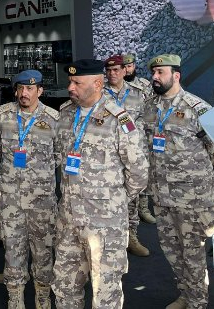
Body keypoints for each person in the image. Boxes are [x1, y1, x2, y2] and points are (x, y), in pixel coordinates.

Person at [52, 59, 148, 309]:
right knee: (64, 286)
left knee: (105, 293)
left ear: (97, 83)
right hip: (69, 219)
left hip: (105, 223)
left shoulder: (119, 118)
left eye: (76, 82)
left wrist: (112, 201)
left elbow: (138, 172)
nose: (70, 87)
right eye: (70, 81)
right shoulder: (65, 113)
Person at [141, 54, 214, 309]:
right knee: (172, 251)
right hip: (161, 194)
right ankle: (185, 295)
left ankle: (198, 303)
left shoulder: (197, 108)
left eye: (160, 72)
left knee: (192, 254)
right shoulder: (148, 107)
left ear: (176, 75)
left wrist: (198, 180)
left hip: (191, 198)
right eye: (153, 72)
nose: (154, 77)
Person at [0, 69, 59, 309]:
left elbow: (59, 156)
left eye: (30, 88)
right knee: (12, 250)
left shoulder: (53, 119)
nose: (24, 93)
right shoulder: (3, 115)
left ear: (40, 91)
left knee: (43, 252)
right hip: (11, 199)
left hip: (42, 202)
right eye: (20, 88)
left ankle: (43, 298)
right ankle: (15, 298)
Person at [104, 55, 153, 257]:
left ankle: (131, 237)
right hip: (108, 155)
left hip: (133, 151)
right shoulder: (100, 94)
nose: (112, 74)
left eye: (116, 70)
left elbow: (148, 120)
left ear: (125, 70)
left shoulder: (138, 93)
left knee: (132, 196)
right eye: (109, 70)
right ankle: (110, 240)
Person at [122, 53, 156, 227]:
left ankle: (143, 208)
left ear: (134, 66)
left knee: (143, 172)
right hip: (121, 139)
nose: (127, 69)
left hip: (140, 136)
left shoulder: (144, 85)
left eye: (130, 66)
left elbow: (150, 109)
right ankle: (127, 213)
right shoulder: (111, 88)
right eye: (124, 67)